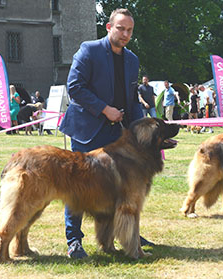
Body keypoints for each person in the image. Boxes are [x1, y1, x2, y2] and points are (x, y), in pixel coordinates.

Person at [59, 8, 154, 259]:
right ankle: (74, 241)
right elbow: (75, 87)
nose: (125, 34)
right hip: (87, 131)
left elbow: (132, 97)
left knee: (123, 188)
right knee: (78, 188)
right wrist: (104, 109)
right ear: (109, 27)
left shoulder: (132, 59)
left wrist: (141, 130)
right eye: (121, 28)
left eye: (129, 30)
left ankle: (128, 233)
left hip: (119, 135)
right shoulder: (89, 50)